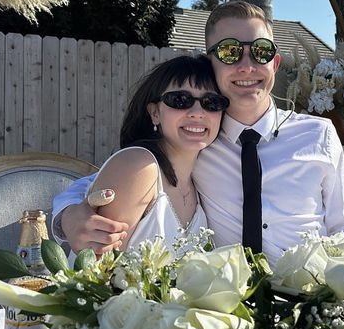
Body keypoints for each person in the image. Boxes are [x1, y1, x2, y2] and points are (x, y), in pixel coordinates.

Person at [53, 0, 344, 265]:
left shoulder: (318, 134)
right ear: (210, 61)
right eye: (230, 52)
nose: (247, 66)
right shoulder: (197, 139)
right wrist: (67, 216)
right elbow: (112, 179)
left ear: (274, 63)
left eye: (260, 52)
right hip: (222, 314)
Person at [65, 54, 227, 252]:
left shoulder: (202, 180)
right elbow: (96, 270)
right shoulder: (138, 165)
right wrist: (67, 213)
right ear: (155, 113)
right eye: (180, 100)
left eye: (211, 102)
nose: (197, 112)